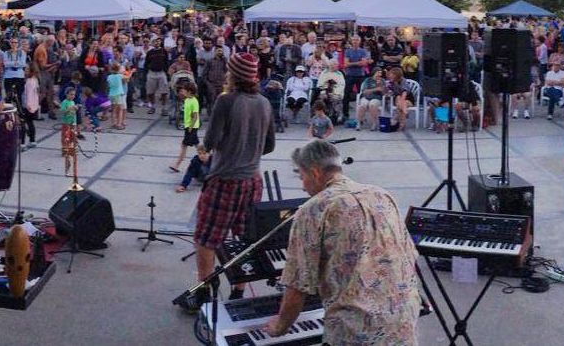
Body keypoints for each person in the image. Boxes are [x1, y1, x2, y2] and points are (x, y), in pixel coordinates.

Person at [263, 139, 421, 344]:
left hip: (356, 331)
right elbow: (409, 255)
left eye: (302, 177)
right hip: (403, 323)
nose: (302, 187)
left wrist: (280, 326)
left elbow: (297, 285)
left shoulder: (314, 209)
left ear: (315, 172)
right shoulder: (382, 195)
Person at [183, 53, 275, 312]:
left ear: (233, 75)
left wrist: (204, 147)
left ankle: (203, 292)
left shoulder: (225, 101)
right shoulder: (265, 103)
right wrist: (248, 148)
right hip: (253, 181)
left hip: (224, 181)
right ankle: (238, 291)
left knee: (205, 237)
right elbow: (269, 145)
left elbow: (211, 141)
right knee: (243, 237)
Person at [170, 79, 200, 173]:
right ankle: (207, 157)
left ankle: (177, 164)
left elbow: (195, 116)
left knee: (184, 145)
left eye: (184, 90)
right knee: (197, 145)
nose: (182, 92)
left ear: (189, 92)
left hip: (192, 127)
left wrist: (190, 127)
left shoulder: (194, 101)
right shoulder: (187, 99)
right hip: (189, 126)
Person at [59, 86, 79, 176]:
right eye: (71, 94)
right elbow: (63, 112)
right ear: (66, 94)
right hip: (66, 123)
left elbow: (73, 112)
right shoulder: (65, 102)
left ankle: (71, 149)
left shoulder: (73, 102)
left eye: (73, 95)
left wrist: (76, 108)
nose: (72, 96)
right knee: (65, 137)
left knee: (72, 137)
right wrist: (70, 108)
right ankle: (64, 150)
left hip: (72, 122)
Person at [20, 63, 39, 149]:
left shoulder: (29, 82)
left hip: (28, 105)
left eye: (27, 69)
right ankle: (32, 140)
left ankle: (22, 143)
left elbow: (29, 94)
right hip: (33, 105)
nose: (25, 70)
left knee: (23, 123)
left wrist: (27, 104)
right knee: (30, 123)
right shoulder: (35, 80)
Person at [106, 61, 126, 130]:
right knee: (120, 109)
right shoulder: (120, 76)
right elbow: (127, 77)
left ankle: (113, 123)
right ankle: (119, 124)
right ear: (118, 69)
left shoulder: (109, 76)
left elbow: (108, 86)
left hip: (111, 94)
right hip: (118, 94)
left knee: (113, 109)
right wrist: (132, 72)